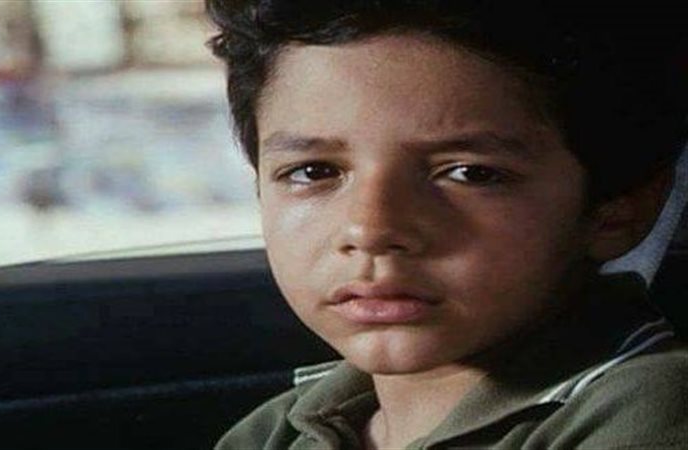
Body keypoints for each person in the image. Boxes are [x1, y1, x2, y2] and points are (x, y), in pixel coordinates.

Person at [206, 1, 688, 448]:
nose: (370, 230)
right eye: (314, 172)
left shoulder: (652, 411)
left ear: (616, 210)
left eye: (470, 174)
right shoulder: (278, 430)